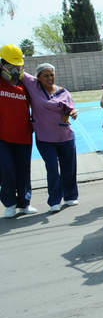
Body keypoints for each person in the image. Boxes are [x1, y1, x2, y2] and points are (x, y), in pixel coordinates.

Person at [25, 63, 79, 212]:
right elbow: (20, 70)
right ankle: (54, 201)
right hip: (45, 138)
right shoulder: (34, 86)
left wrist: (73, 112)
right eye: (46, 75)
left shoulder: (63, 92)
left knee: (69, 167)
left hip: (65, 136)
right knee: (52, 169)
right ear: (38, 78)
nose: (50, 78)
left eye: (52, 75)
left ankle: (70, 196)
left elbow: (71, 108)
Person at [0, 44, 36, 217]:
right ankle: (9, 203)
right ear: (2, 65)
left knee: (23, 170)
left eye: (18, 66)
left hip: (23, 136)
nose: (15, 70)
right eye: (11, 66)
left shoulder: (25, 84)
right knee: (6, 170)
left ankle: (24, 203)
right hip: (2, 137)